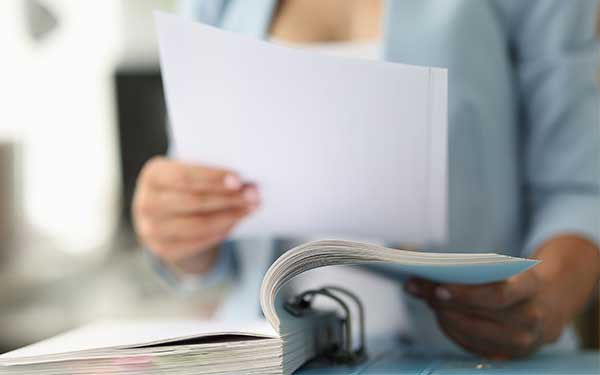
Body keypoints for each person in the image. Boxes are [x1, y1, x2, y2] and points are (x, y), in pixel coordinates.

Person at [133, 0, 600, 359]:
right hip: (272, 356)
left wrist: (548, 297)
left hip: (478, 356)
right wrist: (181, 232)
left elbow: (580, 188)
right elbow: (211, 248)